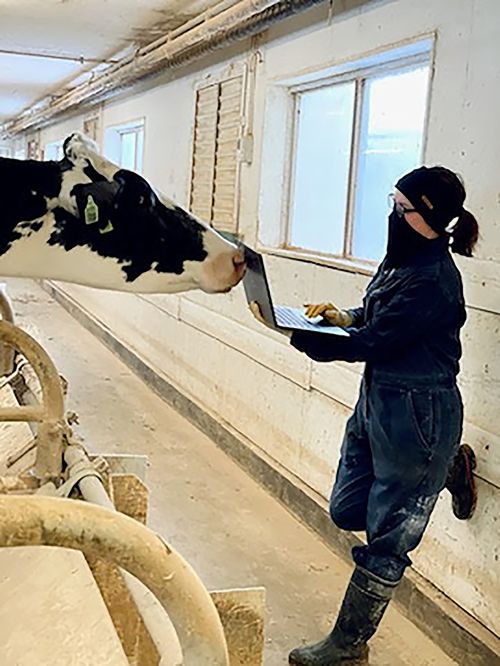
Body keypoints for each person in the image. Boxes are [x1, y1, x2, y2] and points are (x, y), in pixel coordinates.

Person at [249, 166, 479, 665]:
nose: (392, 217)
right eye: (392, 205)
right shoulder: (401, 260)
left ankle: (349, 645)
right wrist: (342, 316)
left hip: (420, 413)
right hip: (379, 401)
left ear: (432, 218)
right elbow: (373, 319)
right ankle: (446, 470)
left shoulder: (435, 281)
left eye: (403, 210)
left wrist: (300, 335)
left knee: (387, 542)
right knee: (347, 510)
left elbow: (376, 341)